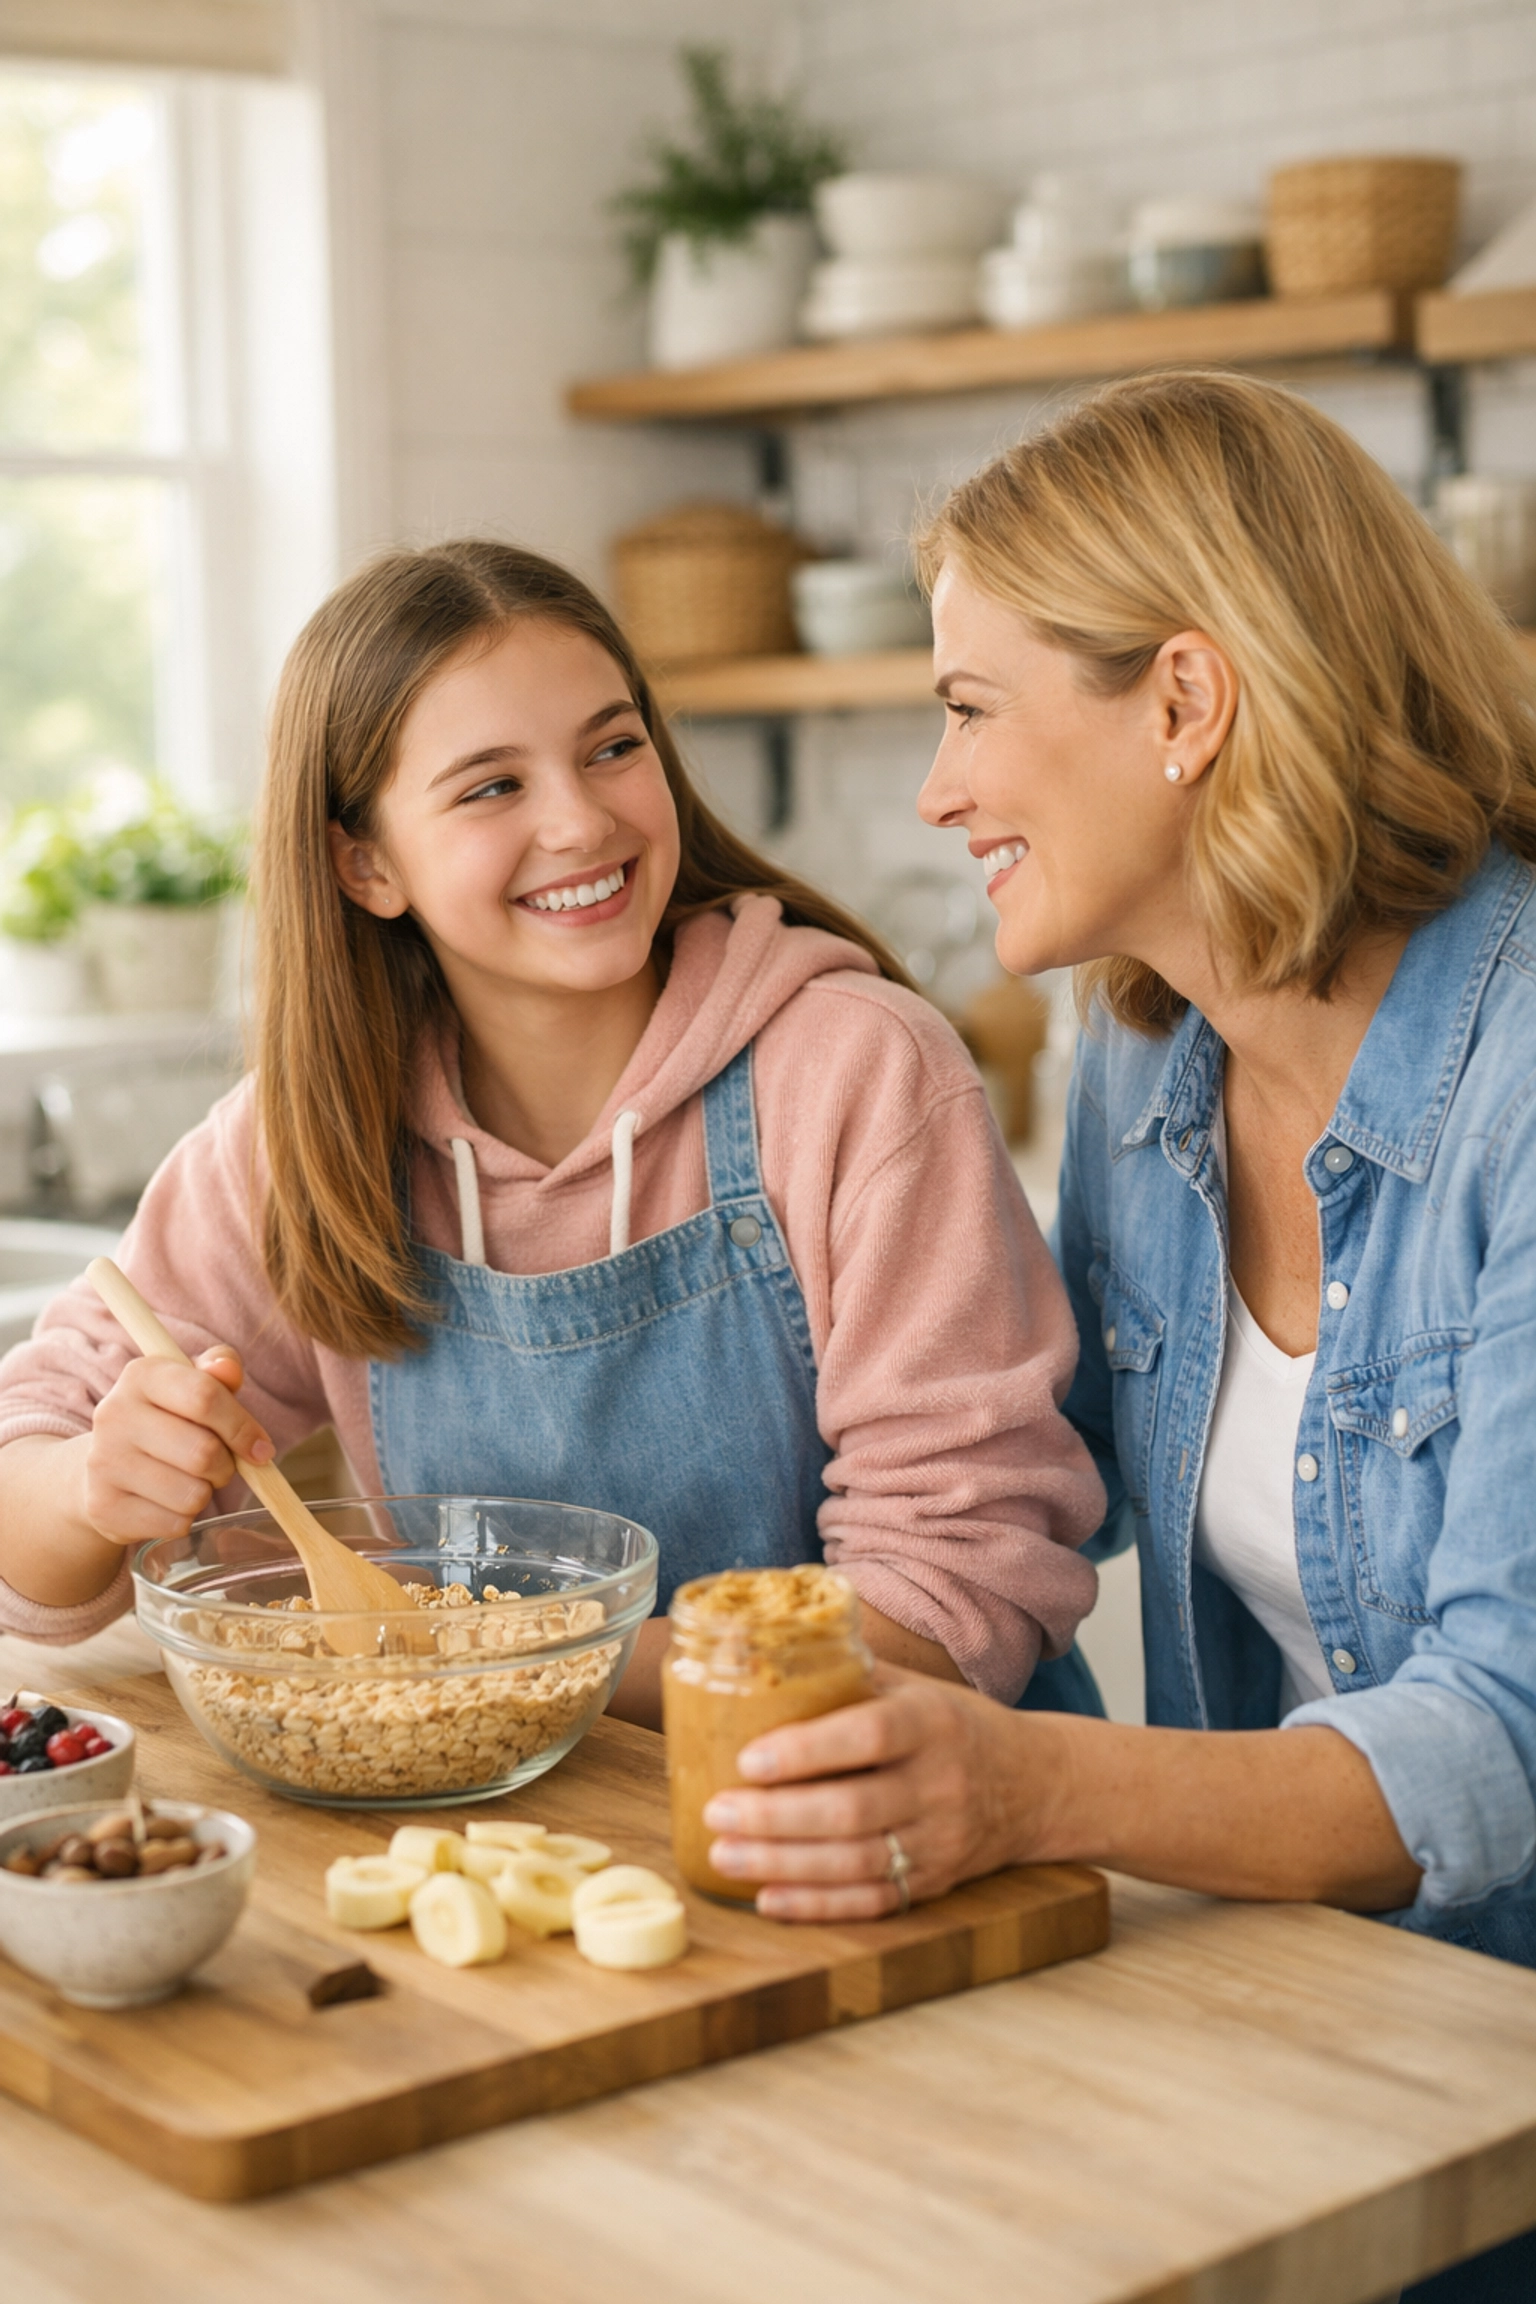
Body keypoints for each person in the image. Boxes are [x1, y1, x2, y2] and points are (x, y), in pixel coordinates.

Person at [697, 374, 1536, 2301]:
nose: (936, 788)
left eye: (970, 708)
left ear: (1182, 701)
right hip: (1333, 2033)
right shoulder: (1147, 1051)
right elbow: (1001, 1496)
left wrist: (1016, 1783)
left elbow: (1502, 1734)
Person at [0, 541, 1104, 1726]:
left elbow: (951, 1602)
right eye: (491, 786)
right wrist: (89, 1488)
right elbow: (29, 1520)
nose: (582, 821)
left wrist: (480, 1669)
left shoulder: (853, 1069)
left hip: (892, 1823)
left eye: (613, 747)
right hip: (529, 1827)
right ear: (364, 864)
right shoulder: (311, 1137)